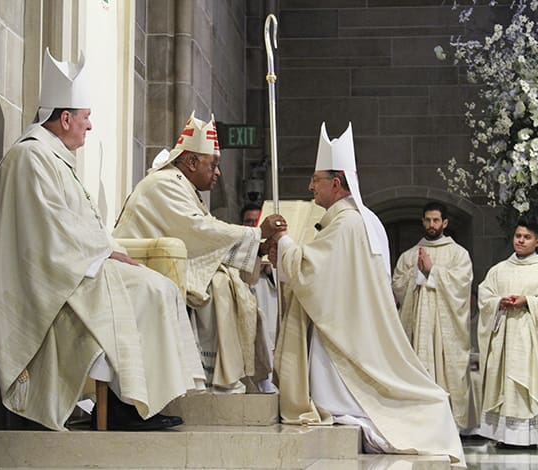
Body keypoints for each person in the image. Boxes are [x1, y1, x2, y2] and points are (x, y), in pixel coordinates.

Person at [0, 49, 206, 431]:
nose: (89, 127)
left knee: (160, 287)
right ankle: (126, 406)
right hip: (55, 282)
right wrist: (104, 254)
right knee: (150, 290)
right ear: (66, 118)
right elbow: (46, 236)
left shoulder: (53, 157)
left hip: (80, 267)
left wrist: (112, 251)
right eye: (86, 119)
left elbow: (80, 227)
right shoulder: (30, 158)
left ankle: (136, 401)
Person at [268, 122, 465, 465]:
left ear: (336, 183)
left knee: (350, 397)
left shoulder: (347, 223)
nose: (310, 186)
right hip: (357, 321)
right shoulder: (365, 219)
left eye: (316, 179)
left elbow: (314, 272)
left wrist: (283, 242)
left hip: (345, 330)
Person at [113, 111, 286, 393]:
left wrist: (259, 249)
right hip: (138, 268)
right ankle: (216, 379)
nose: (217, 173)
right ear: (192, 161)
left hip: (162, 266)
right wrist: (257, 233)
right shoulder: (165, 183)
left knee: (228, 283)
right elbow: (200, 230)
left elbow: (204, 240)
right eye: (213, 164)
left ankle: (229, 376)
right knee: (220, 286)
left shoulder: (184, 186)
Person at [477, 221, 538, 446]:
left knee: (527, 383)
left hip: (531, 339)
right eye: (518, 235)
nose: (520, 240)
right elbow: (484, 295)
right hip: (504, 339)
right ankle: (502, 435)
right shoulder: (499, 269)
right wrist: (499, 301)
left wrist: (527, 301)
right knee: (503, 384)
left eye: (527, 237)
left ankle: (530, 437)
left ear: (537, 241)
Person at [391, 202, 475, 431]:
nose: (431, 225)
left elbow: (463, 284)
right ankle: (419, 423)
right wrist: (416, 273)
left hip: (445, 328)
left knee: (447, 372)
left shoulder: (458, 254)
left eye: (436, 220)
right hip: (418, 326)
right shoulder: (409, 256)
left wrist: (432, 271)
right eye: (427, 220)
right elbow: (397, 285)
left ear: (445, 223)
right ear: (422, 221)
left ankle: (449, 426)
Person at [241, 203, 279, 393]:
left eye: (256, 221)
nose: (252, 225)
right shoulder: (239, 248)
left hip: (270, 311)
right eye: (248, 221)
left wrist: (271, 269)